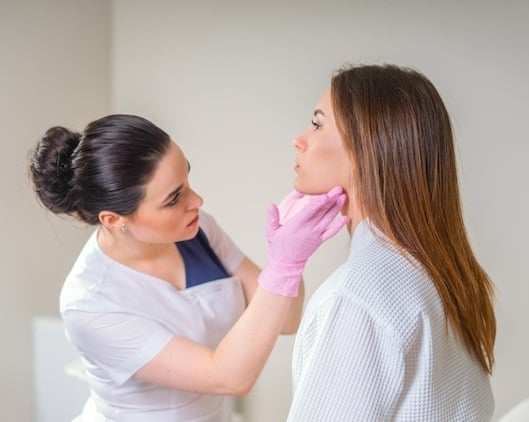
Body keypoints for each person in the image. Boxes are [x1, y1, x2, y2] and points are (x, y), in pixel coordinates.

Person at [28, 114, 346, 421]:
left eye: (187, 179)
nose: (197, 201)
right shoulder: (88, 304)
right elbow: (228, 378)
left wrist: (289, 248)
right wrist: (285, 262)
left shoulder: (196, 230)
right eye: (173, 198)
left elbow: (286, 318)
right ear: (114, 219)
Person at [286, 64, 497, 421]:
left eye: (318, 124)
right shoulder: (443, 272)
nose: (300, 139)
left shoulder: (358, 295)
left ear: (365, 149)